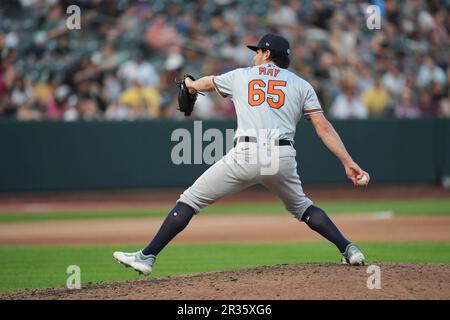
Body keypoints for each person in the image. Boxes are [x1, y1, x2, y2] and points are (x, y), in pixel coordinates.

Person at [113, 34, 370, 275]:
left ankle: (147, 257)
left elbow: (208, 82)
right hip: (281, 156)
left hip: (247, 153)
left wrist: (190, 86)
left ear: (268, 53)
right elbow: (323, 128)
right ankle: (349, 249)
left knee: (190, 200)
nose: (254, 55)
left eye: (258, 51)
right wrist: (348, 162)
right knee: (303, 207)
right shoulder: (302, 85)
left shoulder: (242, 76)